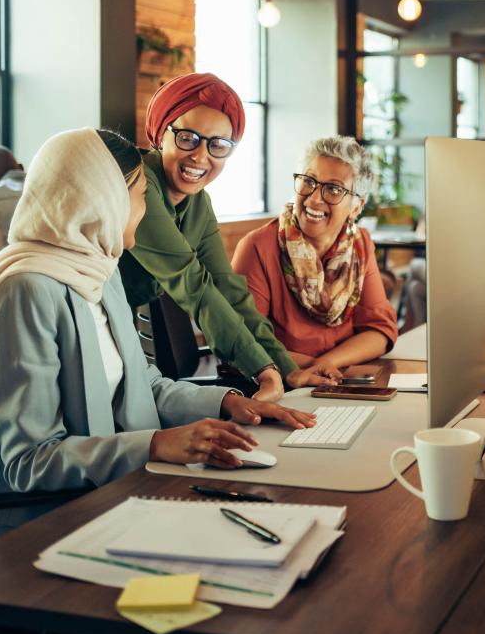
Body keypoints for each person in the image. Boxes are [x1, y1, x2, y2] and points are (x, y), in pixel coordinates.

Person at [0, 128, 313, 557]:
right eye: (139, 195)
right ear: (102, 199)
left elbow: (144, 383)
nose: (146, 208)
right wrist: (156, 444)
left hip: (115, 495)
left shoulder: (100, 269)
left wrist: (228, 403)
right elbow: (31, 461)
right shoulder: (26, 291)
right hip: (39, 530)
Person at [119, 73, 333, 403]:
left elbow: (229, 291)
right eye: (188, 138)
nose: (200, 156)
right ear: (161, 133)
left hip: (124, 340)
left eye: (218, 145)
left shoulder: (198, 203)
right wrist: (262, 369)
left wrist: (287, 369)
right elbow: (194, 285)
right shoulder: (139, 187)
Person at [232, 136, 397, 379]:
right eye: (309, 181)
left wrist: (326, 364)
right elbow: (244, 343)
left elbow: (380, 330)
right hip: (279, 383)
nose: (314, 198)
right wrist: (318, 370)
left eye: (333, 189)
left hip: (337, 379)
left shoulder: (359, 245)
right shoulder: (257, 247)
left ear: (356, 207)